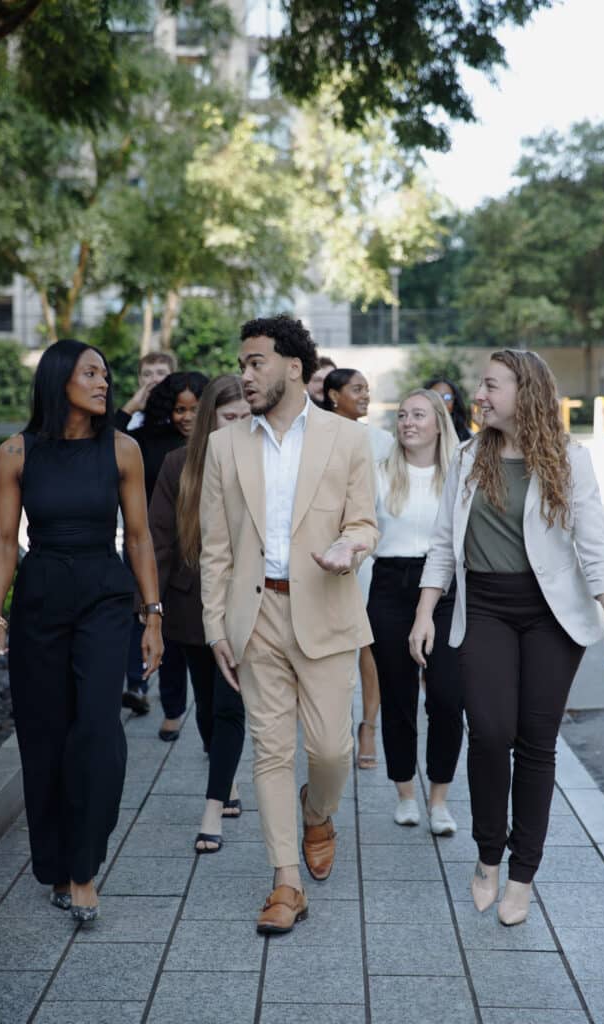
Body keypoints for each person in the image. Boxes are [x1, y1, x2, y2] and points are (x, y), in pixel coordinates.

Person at [410, 349, 604, 926]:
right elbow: (442, 543)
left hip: (550, 617)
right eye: (481, 386)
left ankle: (523, 875)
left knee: (536, 743)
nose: (479, 396)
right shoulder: (465, 457)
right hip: (482, 607)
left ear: (523, 392)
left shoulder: (567, 459)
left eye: (490, 386)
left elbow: (594, 545)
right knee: (488, 732)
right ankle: (488, 855)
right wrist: (424, 613)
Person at [199, 315, 378, 935]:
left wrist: (349, 548)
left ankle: (319, 812)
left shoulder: (346, 439)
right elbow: (215, 547)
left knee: (330, 749)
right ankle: (285, 881)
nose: (245, 374)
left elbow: (365, 522)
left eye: (256, 362)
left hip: (326, 608)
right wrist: (216, 625)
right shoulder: (225, 446)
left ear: (294, 367)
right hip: (256, 616)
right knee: (271, 752)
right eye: (242, 363)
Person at [0, 339, 163, 924]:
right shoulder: (16, 452)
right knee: (45, 735)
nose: (102, 382)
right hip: (39, 597)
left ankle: (85, 868)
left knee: (96, 731)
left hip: (103, 596)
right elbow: (1, 541)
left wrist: (153, 615)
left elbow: (138, 537)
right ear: (59, 378)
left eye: (105, 373)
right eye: (90, 372)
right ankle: (59, 866)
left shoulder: (123, 448)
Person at [148, 376, 250, 852]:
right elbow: (159, 540)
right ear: (212, 419)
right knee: (207, 703)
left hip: (249, 599)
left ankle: (213, 807)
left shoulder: (267, 461)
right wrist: (150, 610)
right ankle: (224, 777)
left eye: (248, 418)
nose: (240, 427)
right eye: (231, 419)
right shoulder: (178, 464)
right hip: (192, 602)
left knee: (231, 702)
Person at [368, 389, 462, 833]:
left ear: (439, 423)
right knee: (398, 696)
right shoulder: (380, 474)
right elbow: (360, 531)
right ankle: (405, 792)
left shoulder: (460, 475)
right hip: (390, 586)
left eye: (418, 415)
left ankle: (439, 798)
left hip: (446, 591)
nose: (408, 422)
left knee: (446, 697)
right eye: (402, 414)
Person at [122, 371, 208, 731]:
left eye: (194, 408)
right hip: (152, 544)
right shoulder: (145, 442)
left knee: (200, 640)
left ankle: (208, 718)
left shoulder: (215, 445)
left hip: (196, 551)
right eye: (178, 409)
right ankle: (172, 709)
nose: (186, 416)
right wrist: (135, 400)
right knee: (163, 631)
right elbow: (109, 430)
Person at [323, 367, 394, 769]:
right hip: (324, 553)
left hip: (370, 552)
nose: (365, 395)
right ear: (334, 395)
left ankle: (368, 726)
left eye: (368, 389)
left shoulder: (382, 441)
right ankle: (333, 727)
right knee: (332, 645)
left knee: (369, 644)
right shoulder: (315, 435)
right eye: (356, 389)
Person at [115, 351, 178, 432]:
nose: (154, 379)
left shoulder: (184, 414)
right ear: (140, 380)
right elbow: (107, 440)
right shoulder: (131, 420)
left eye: (161, 373)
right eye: (147, 374)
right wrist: (129, 408)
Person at [425, 377, 473, 442]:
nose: (441, 402)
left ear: (455, 403)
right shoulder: (416, 433)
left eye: (447, 397)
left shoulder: (470, 438)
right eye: (435, 396)